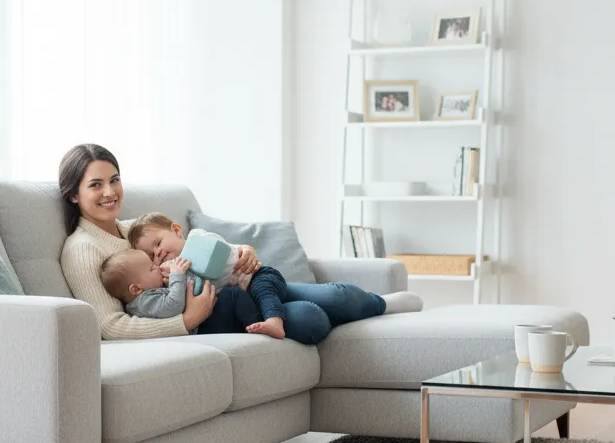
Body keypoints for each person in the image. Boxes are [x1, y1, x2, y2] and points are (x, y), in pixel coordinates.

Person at [57, 143, 421, 344]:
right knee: (311, 319)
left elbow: (194, 246)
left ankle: (381, 305)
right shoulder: (82, 248)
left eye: (115, 180)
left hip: (237, 285)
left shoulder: (132, 228)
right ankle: (352, 315)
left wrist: (242, 251)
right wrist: (186, 320)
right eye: (95, 185)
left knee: (336, 297)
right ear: (73, 195)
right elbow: (110, 326)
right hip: (218, 313)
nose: (110, 192)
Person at [101, 249, 269, 337]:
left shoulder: (146, 295)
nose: (157, 267)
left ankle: (259, 320)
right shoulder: (144, 302)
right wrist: (177, 275)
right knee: (232, 295)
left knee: (232, 295)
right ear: (136, 289)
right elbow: (173, 305)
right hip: (203, 330)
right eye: (152, 268)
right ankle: (258, 326)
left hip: (205, 322)